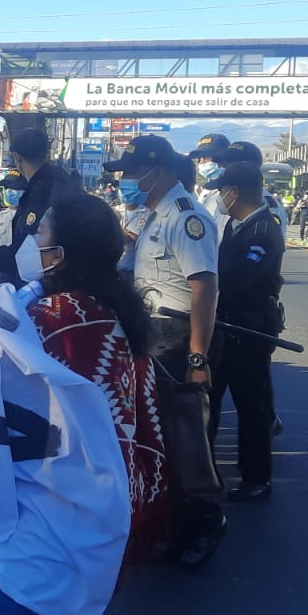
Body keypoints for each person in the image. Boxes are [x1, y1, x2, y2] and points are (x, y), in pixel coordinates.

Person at [8, 189, 174, 615]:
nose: (30, 240)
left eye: (39, 232)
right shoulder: (102, 303)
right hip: (97, 490)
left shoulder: (57, 315)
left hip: (62, 500)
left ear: (61, 252)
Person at [102, 134, 225, 568]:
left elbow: (204, 288)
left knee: (186, 437)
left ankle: (204, 525)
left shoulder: (187, 217)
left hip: (178, 337)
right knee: (159, 438)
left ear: (159, 171)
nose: (129, 181)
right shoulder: (153, 214)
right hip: (153, 336)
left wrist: (197, 358)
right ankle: (173, 524)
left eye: (134, 173)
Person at [203, 162, 285, 502]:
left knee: (251, 405)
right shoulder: (237, 226)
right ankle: (204, 472)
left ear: (235, 191)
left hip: (249, 326)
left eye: (222, 190)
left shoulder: (263, 229)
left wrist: (206, 283)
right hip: (226, 324)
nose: (219, 196)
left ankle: (256, 477)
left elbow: (240, 278)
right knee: (210, 400)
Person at [7, 128, 72, 256]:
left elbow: (28, 248)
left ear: (16, 157)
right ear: (47, 154)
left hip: (45, 271)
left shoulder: (41, 191)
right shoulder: (64, 181)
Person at [0, 169, 28, 282]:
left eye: (14, 189)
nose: (8, 192)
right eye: (6, 188)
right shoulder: (1, 215)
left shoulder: (31, 216)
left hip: (22, 273)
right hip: (2, 272)